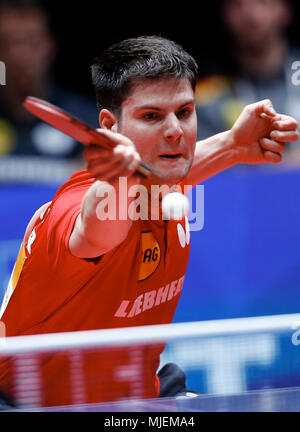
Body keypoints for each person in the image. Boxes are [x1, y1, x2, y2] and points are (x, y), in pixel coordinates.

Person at [0, 36, 297, 408]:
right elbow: (97, 227)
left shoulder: (164, 175)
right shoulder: (72, 209)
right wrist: (117, 181)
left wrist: (234, 145)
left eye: (185, 112)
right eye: (151, 116)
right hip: (33, 404)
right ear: (110, 125)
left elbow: (178, 170)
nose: (175, 131)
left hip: (138, 396)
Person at [195, 0, 300, 162]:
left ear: (285, 9)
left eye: (263, 2)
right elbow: (203, 167)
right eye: (237, 4)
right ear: (224, 14)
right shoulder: (205, 94)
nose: (251, 15)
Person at [0, 0, 98, 169]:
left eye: (32, 42)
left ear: (49, 46)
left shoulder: (85, 121)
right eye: (6, 43)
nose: (20, 55)